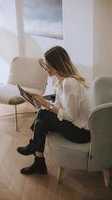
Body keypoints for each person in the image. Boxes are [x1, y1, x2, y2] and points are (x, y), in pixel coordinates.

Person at [17, 46, 91, 175]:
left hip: (81, 132)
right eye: (44, 65)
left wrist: (46, 104)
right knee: (41, 121)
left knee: (43, 114)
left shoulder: (70, 83)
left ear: (57, 65)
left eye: (47, 65)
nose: (45, 68)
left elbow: (71, 116)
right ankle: (38, 161)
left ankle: (34, 149)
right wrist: (42, 103)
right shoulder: (58, 80)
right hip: (72, 125)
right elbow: (58, 106)